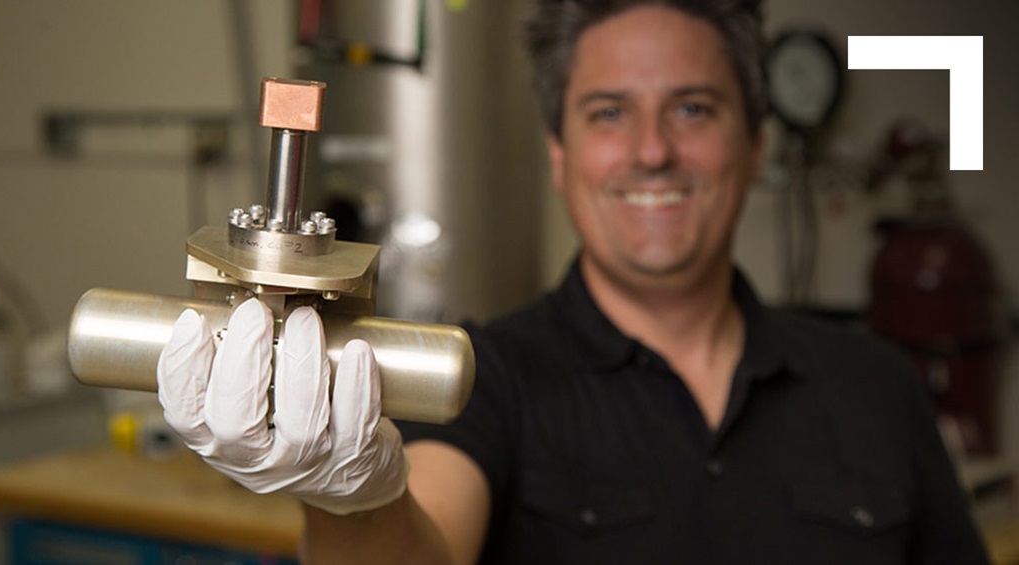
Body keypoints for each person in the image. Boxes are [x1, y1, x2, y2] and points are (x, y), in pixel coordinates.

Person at [156, 0, 992, 563]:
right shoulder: (480, 375)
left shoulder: (878, 384)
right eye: (609, 112)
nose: (653, 150)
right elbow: (424, 541)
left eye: (694, 107)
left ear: (757, 145)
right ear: (561, 156)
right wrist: (351, 502)